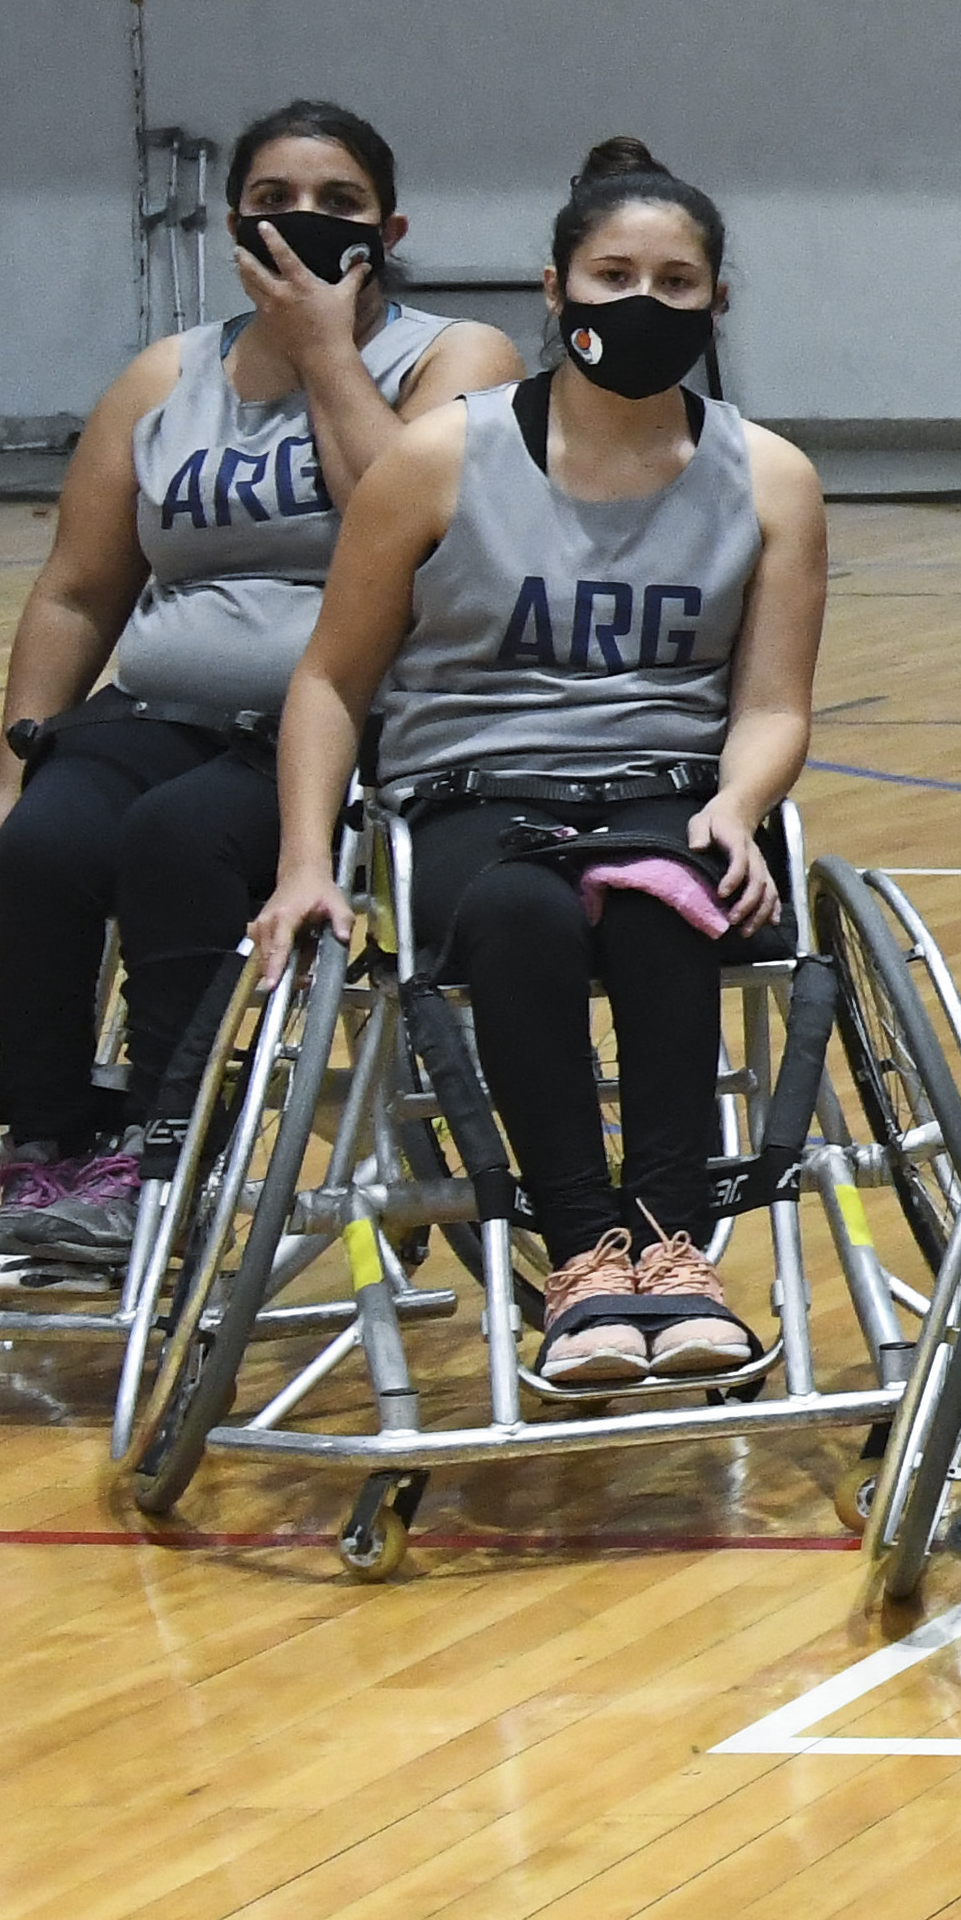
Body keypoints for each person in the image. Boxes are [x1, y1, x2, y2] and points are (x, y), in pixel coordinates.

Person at [0, 101, 521, 1275]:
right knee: (42, 844)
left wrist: (326, 352)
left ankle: (163, 1149)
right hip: (159, 710)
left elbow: (416, 523)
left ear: (388, 226)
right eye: (275, 199)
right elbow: (79, 590)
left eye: (337, 203)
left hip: (349, 723)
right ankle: (52, 1151)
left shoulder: (456, 357)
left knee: (181, 843)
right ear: (236, 222)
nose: (304, 221)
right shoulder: (163, 376)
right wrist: (2, 775)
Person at [252, 142, 831, 1399]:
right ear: (555, 288)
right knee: (520, 912)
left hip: (669, 787)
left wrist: (736, 804)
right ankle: (579, 1254)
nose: (643, 301)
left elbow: (774, 703)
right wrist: (306, 861)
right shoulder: (435, 460)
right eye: (613, 273)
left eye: (676, 281)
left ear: (716, 301)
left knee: (667, 898)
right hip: (475, 795)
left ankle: (674, 1254)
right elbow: (330, 680)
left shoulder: (772, 476)